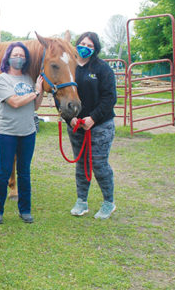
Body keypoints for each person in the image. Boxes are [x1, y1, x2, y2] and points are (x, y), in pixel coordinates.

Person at [0, 42, 44, 224]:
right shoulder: (1, 79)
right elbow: (13, 102)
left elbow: (35, 105)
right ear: (8, 57)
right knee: (4, 171)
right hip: (8, 132)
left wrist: (40, 91)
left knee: (24, 172)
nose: (19, 58)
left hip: (28, 132)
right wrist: (35, 93)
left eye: (22, 56)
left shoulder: (29, 79)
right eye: (16, 55)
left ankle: (25, 209)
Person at [68, 32, 117, 220]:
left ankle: (108, 202)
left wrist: (93, 118)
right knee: (81, 163)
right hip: (76, 125)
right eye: (82, 43)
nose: (85, 47)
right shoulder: (70, 67)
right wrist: (68, 118)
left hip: (100, 125)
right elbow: (61, 93)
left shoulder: (102, 69)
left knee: (98, 163)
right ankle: (82, 201)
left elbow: (109, 97)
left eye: (89, 45)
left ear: (95, 48)